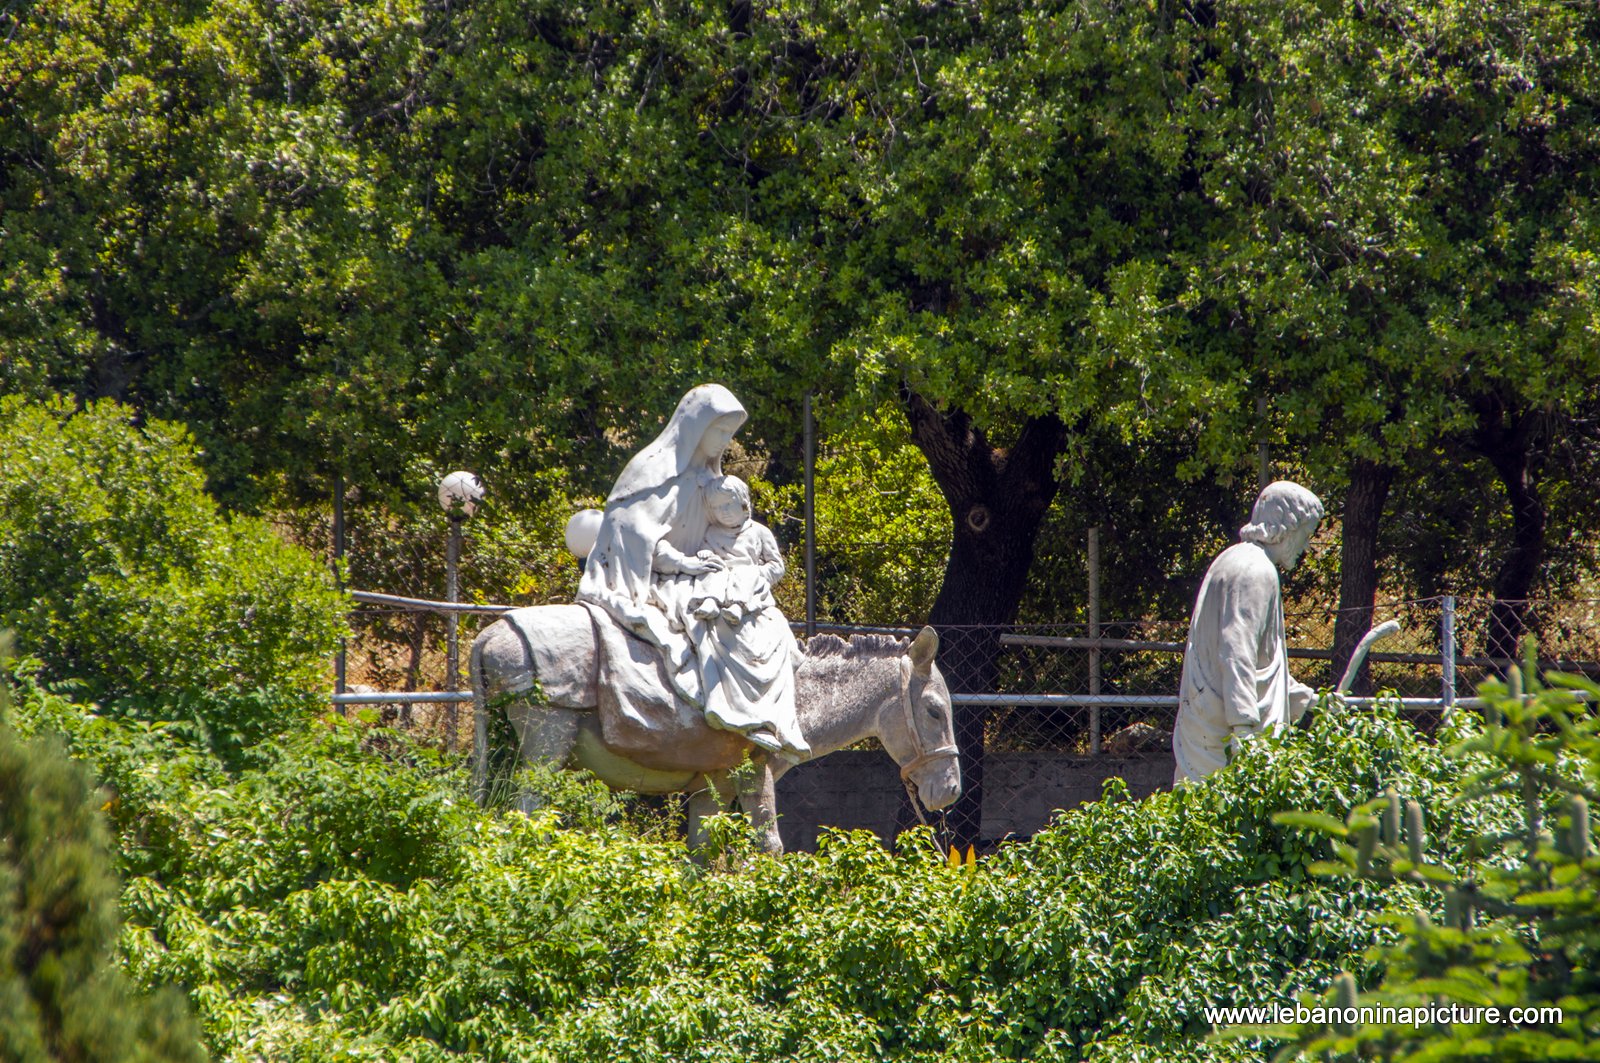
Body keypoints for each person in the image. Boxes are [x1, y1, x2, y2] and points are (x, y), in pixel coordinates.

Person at [576, 385, 808, 761]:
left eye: (729, 434)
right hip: (666, 578)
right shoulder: (652, 474)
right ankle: (729, 709)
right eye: (718, 431)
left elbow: (731, 537)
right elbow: (642, 543)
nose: (724, 442)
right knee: (712, 622)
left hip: (709, 575)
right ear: (694, 427)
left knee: (767, 625)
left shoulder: (711, 482)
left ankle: (769, 720)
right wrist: (686, 564)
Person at [1172, 480, 1325, 784]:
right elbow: (1236, 650)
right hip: (1228, 735)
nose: (1306, 546)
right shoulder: (1256, 571)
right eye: (1305, 535)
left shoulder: (1232, 559)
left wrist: (1309, 700)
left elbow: (1261, 665)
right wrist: (1244, 727)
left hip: (1209, 720)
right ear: (1287, 528)